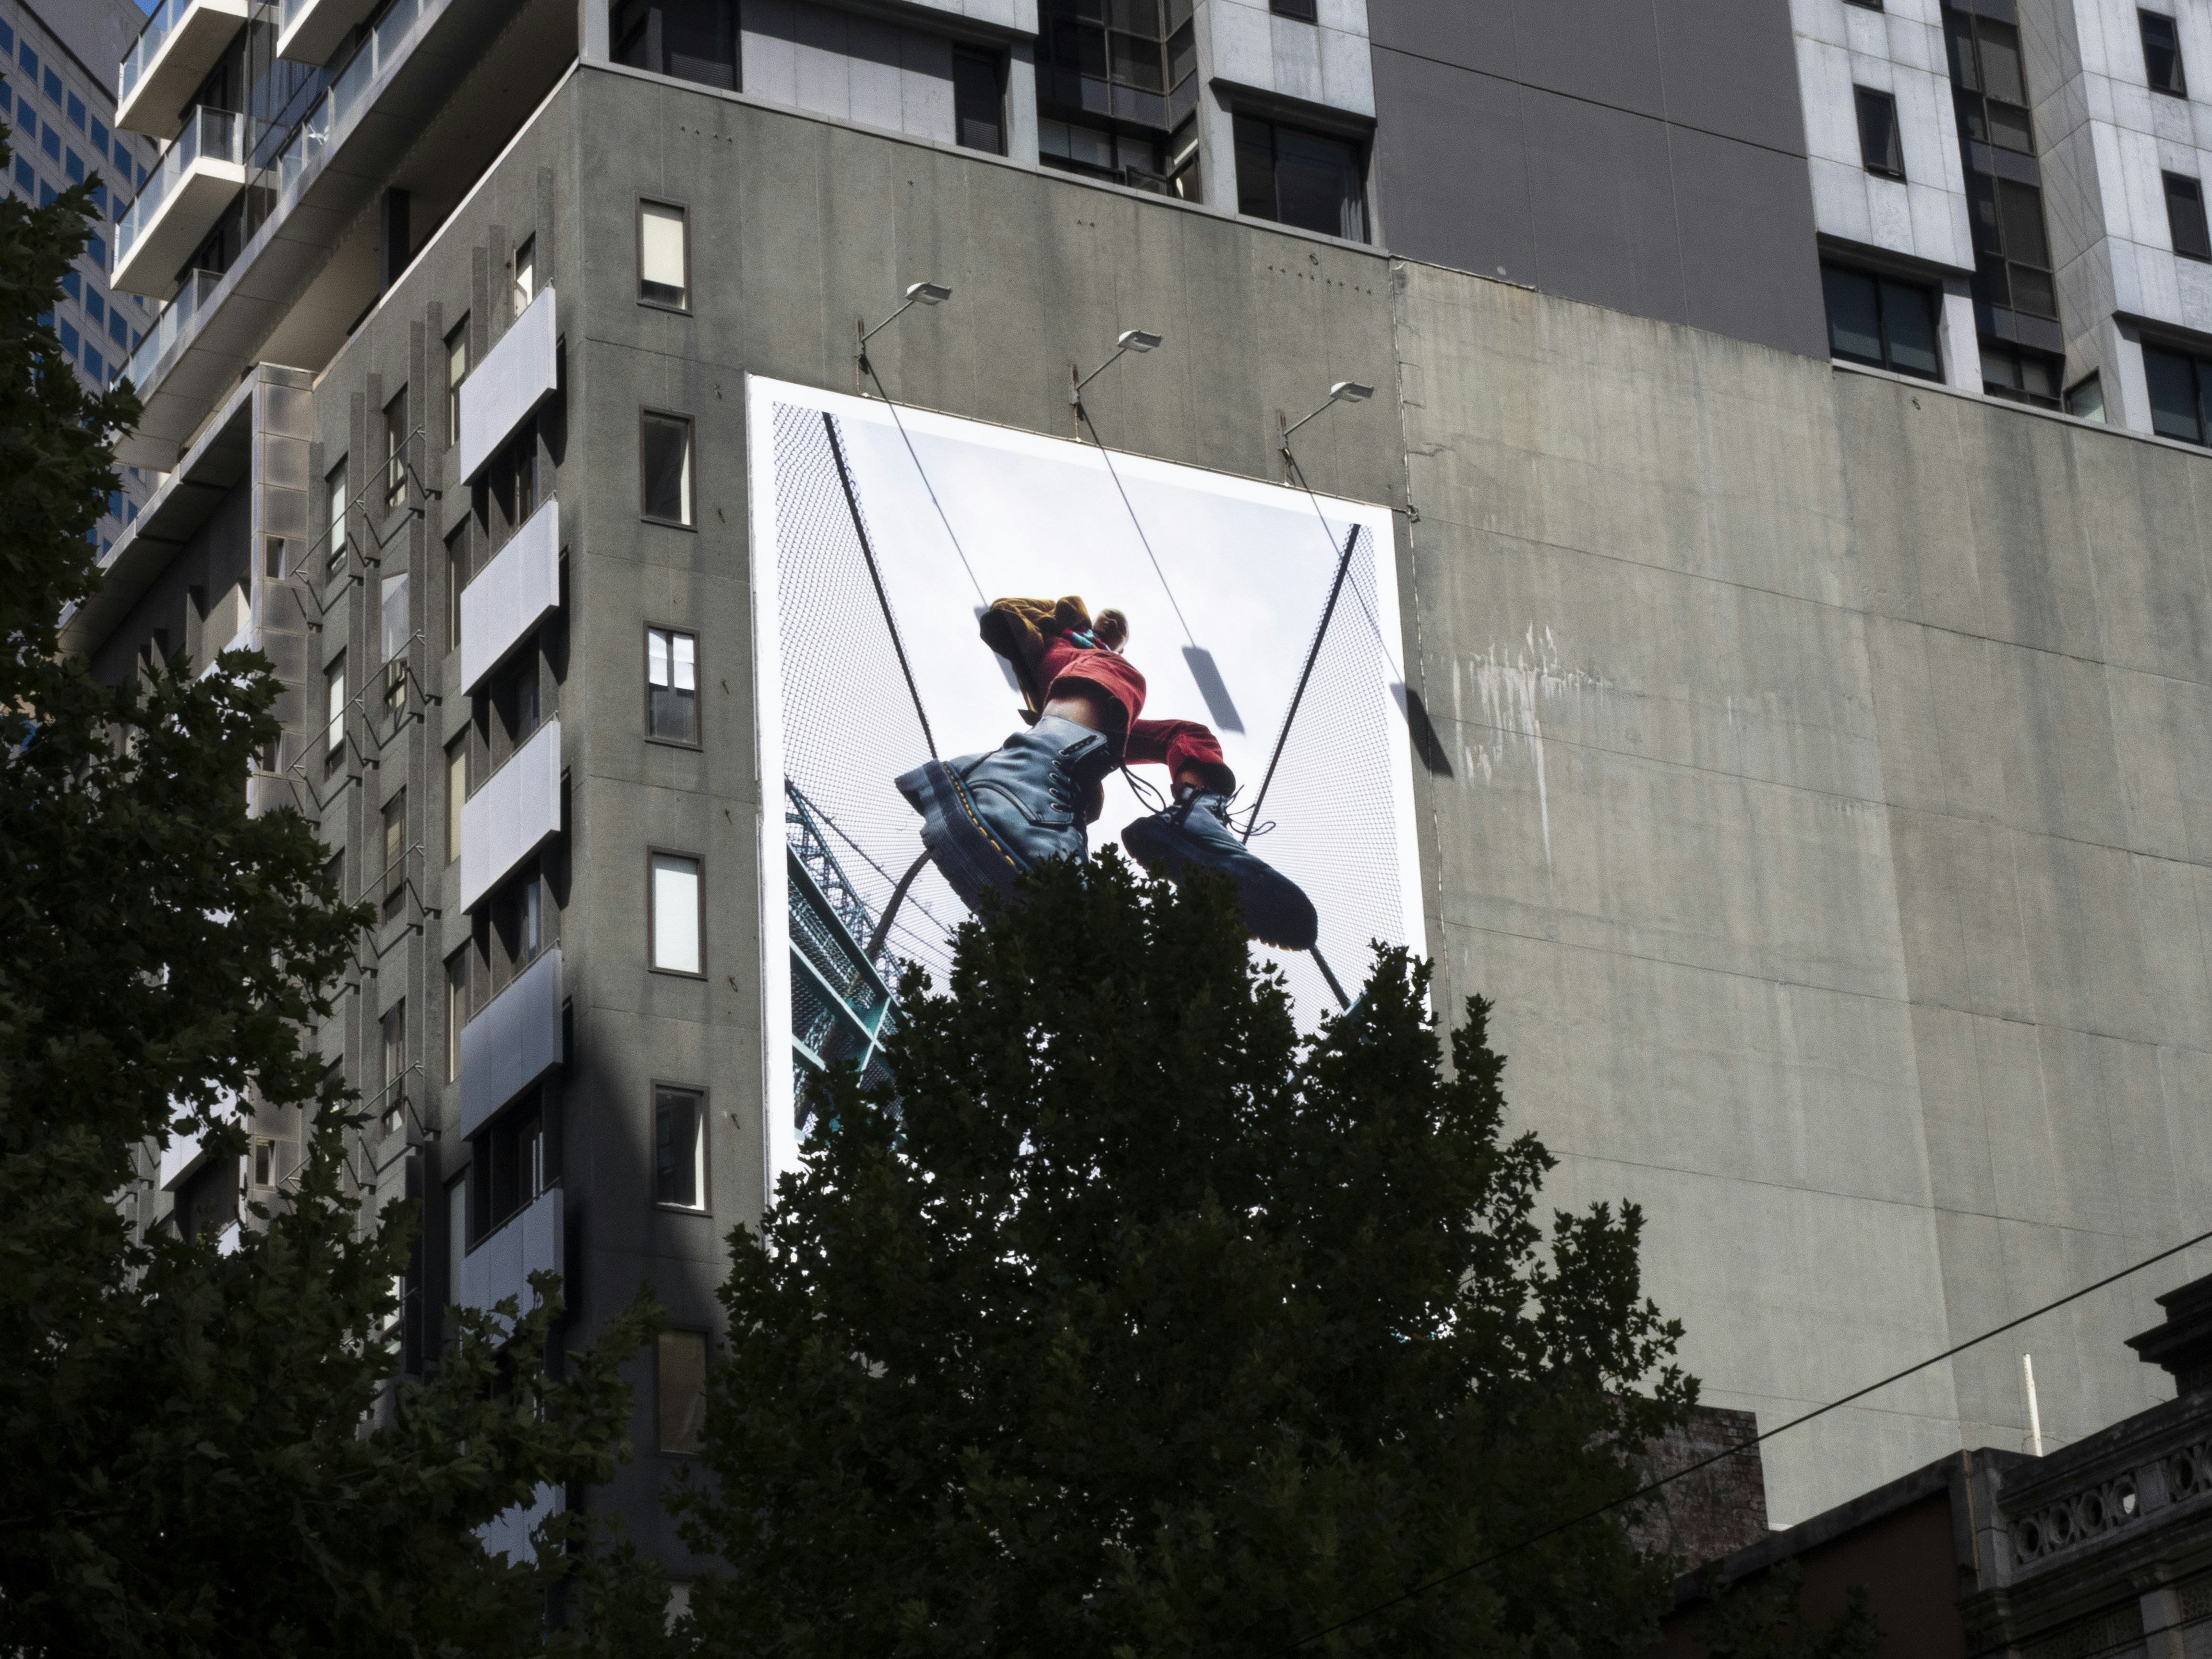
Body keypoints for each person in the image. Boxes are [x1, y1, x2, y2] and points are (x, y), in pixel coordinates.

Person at [894, 596, 1317, 950]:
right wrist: (1031, 628)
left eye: (1120, 632)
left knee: (1188, 734)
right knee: (1118, 673)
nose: (1114, 627)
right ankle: (1024, 771)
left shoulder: (1108, 656)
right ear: (1093, 618)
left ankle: (1194, 813)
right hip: (1070, 682)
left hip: (1104, 712)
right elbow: (1008, 612)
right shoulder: (1067, 631)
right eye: (1110, 621)